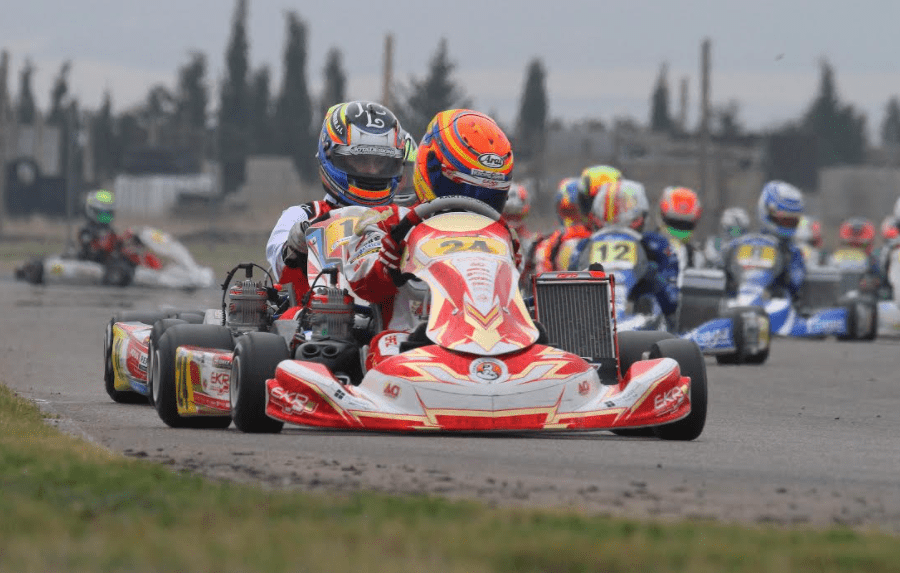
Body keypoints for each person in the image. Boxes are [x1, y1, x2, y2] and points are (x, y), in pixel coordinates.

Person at [342, 108, 515, 347]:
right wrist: (387, 264)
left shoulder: (502, 235)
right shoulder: (389, 220)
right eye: (462, 189)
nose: (472, 205)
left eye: (487, 196)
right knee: (385, 347)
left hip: (487, 344)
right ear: (431, 169)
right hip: (406, 345)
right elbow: (362, 283)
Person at [265, 101, 407, 294]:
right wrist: (297, 242)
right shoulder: (302, 215)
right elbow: (280, 264)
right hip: (319, 315)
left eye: (381, 162)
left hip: (394, 317)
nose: (372, 170)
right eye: (361, 160)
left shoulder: (405, 220)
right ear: (330, 155)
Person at [573, 179, 680, 329]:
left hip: (646, 327)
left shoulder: (655, 245)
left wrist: (654, 279)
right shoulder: (584, 246)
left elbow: (673, 302)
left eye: (622, 211)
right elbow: (567, 291)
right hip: (591, 322)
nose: (617, 216)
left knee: (648, 300)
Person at [722, 180, 806, 299]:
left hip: (777, 308)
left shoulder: (793, 253)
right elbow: (720, 276)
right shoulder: (736, 247)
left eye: (791, 221)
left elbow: (796, 286)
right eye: (783, 220)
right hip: (737, 305)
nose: (787, 225)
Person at [532, 177, 591, 274]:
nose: (575, 219)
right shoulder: (549, 242)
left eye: (579, 213)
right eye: (569, 211)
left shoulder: (599, 239)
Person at [657, 186, 705, 272]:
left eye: (686, 225)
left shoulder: (696, 257)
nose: (679, 229)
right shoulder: (648, 246)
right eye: (673, 222)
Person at [77, 189, 124, 264]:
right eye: (103, 214)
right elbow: (88, 250)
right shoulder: (87, 230)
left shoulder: (111, 230)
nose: (106, 217)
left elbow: (118, 248)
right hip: (91, 262)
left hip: (110, 264)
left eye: (109, 213)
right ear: (92, 211)